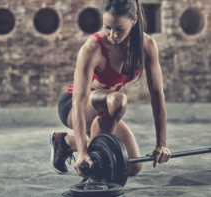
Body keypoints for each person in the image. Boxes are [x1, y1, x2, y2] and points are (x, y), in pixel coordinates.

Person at [49, 0, 171, 179]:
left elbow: (157, 96)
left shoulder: (147, 45)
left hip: (106, 109)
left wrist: (162, 143)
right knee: (118, 100)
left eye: (119, 28)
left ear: (134, 20)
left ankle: (65, 142)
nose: (112, 34)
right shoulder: (93, 47)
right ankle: (80, 147)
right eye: (107, 27)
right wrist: (83, 153)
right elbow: (79, 102)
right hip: (74, 107)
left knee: (133, 166)